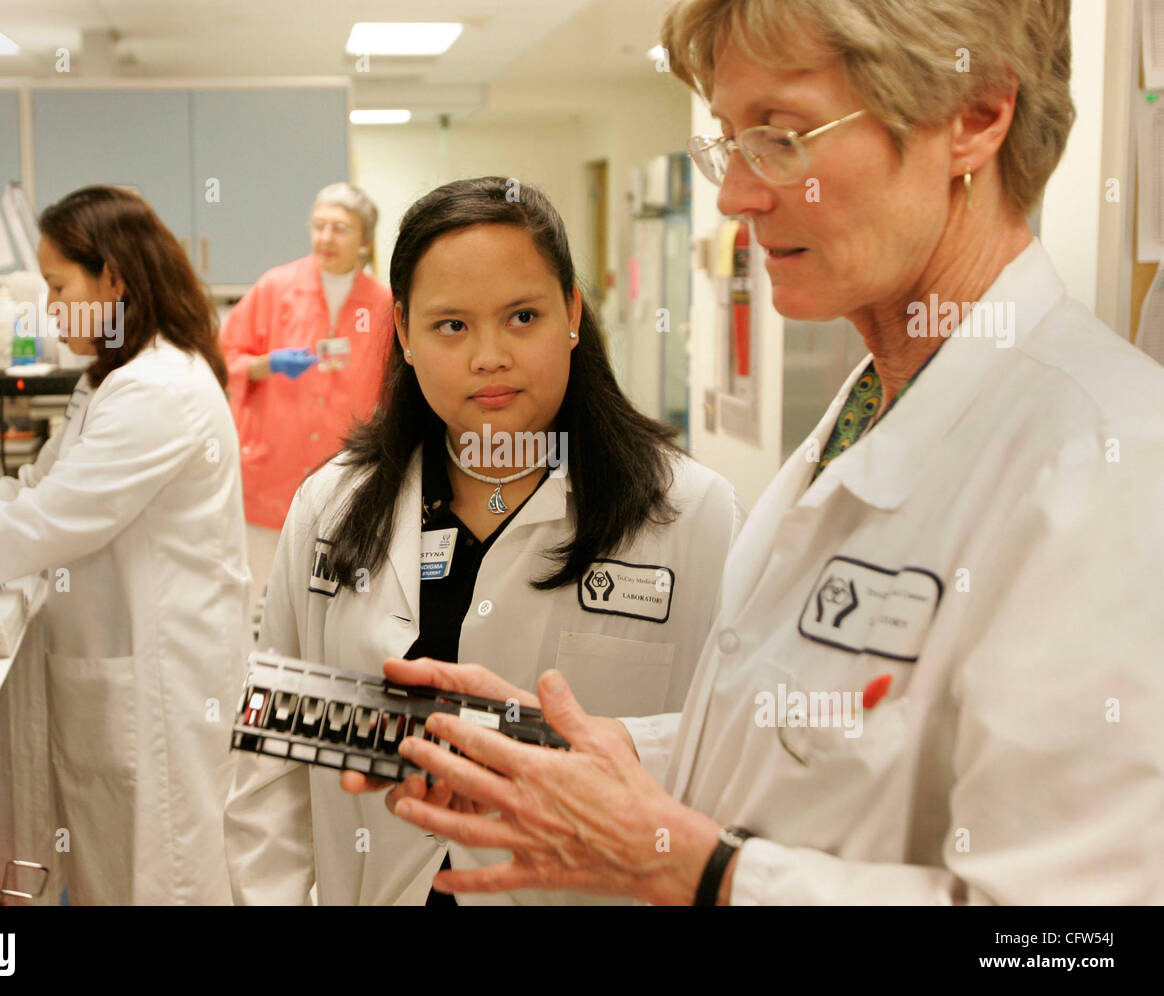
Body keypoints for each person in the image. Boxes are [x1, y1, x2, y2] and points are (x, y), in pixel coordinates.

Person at [365, 0, 1164, 905]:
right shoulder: (870, 412)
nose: (736, 195)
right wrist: (599, 757)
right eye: (730, 142)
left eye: (782, 136)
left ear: (976, 116)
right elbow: (807, 755)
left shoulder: (1109, 464)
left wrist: (696, 869)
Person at [223, 177, 744, 905]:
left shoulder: (691, 516)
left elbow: (733, 755)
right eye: (452, 326)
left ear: (571, 312)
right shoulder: (332, 507)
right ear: (403, 332)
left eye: (522, 316)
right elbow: (273, 776)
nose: (489, 356)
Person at [0, 186, 249, 905]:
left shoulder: (158, 390)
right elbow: (33, 488)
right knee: (118, 867)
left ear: (114, 278)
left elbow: (51, 521)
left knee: (162, 873)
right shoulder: (111, 380)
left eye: (57, 286)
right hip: (127, 674)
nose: (50, 307)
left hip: (165, 682)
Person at [219, 182, 394, 611]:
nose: (326, 239)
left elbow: (394, 389)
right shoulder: (275, 289)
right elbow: (220, 359)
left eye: (339, 229)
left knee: (322, 604)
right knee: (251, 597)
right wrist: (266, 364)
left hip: (341, 476)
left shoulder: (383, 303)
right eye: (318, 227)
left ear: (365, 240)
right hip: (269, 473)